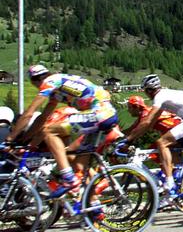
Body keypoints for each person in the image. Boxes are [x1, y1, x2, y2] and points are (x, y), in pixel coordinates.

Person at [5, 65, 118, 196]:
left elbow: (29, 114)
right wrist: (25, 141)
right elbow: (42, 118)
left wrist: (10, 139)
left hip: (99, 114)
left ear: (34, 81)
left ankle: (68, 178)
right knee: (79, 167)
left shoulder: (49, 82)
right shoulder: (58, 88)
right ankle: (95, 211)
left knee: (48, 131)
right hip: (106, 115)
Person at [124, 75, 183, 198]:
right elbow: (150, 123)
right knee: (170, 151)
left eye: (145, 91)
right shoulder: (168, 94)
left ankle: (169, 183)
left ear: (149, 90)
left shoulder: (159, 97)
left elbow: (146, 122)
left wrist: (128, 140)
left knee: (161, 143)